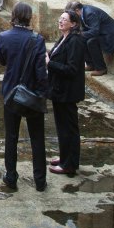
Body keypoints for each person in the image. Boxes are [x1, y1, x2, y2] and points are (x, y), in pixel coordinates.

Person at [0, 3, 49, 191]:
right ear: (29, 17)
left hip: (11, 92)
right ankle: (40, 180)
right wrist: (43, 94)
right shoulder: (37, 40)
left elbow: (2, 60)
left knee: (11, 137)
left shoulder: (4, 37)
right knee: (37, 138)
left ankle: (11, 176)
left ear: (14, 16)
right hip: (33, 92)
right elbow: (41, 72)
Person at [47, 10, 88, 177]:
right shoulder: (64, 38)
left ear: (73, 23)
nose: (61, 21)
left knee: (68, 128)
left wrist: (50, 64)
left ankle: (69, 164)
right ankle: (64, 157)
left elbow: (72, 69)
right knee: (61, 126)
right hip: (59, 90)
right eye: (60, 18)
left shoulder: (76, 41)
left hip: (68, 92)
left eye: (64, 19)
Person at [68, 0, 114, 76]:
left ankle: (101, 68)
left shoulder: (90, 13)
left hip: (111, 36)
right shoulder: (82, 12)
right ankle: (90, 64)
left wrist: (79, 34)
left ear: (77, 10)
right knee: (81, 38)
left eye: (72, 14)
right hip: (102, 33)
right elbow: (86, 29)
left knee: (91, 42)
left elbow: (94, 31)